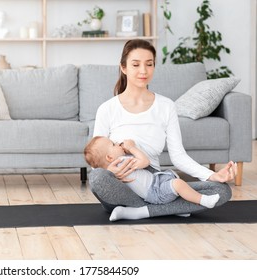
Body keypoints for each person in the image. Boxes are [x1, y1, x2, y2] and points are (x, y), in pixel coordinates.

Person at [89, 39, 235, 220]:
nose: (143, 70)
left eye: (149, 64)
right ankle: (170, 207)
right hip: (122, 189)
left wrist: (212, 175)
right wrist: (111, 171)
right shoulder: (107, 109)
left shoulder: (166, 106)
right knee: (97, 178)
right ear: (124, 68)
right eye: (136, 64)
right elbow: (97, 157)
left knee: (222, 190)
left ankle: (141, 211)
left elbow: (179, 157)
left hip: (157, 184)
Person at [84, 136, 221, 220]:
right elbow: (145, 162)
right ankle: (203, 200)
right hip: (155, 191)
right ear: (109, 157)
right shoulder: (123, 162)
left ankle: (177, 210)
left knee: (179, 183)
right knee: (178, 184)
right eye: (113, 144)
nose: (118, 143)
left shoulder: (120, 163)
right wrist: (132, 148)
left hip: (157, 182)